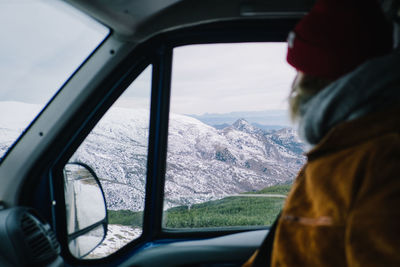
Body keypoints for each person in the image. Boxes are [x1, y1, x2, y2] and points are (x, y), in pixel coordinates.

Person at [244, 0, 400, 266]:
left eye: (300, 70)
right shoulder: (343, 147)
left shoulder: (383, 160)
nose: (293, 86)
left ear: (319, 79)